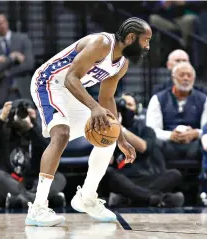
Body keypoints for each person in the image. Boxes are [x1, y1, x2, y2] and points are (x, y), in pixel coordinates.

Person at [27, 17, 152, 227]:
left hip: (73, 92)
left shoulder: (122, 63)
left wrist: (120, 138)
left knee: (108, 134)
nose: (147, 47)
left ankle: (87, 196)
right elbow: (70, 78)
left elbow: (107, 99)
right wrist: (94, 108)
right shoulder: (101, 43)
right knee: (62, 134)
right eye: (146, 40)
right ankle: (38, 208)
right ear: (131, 38)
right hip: (49, 83)